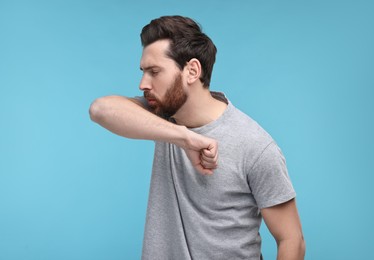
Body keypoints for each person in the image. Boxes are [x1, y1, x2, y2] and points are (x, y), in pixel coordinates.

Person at [89, 15, 305, 260]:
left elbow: (292, 240)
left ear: (192, 70)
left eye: (154, 71)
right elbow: (100, 109)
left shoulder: (255, 145)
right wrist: (184, 138)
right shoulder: (161, 115)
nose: (142, 84)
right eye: (143, 72)